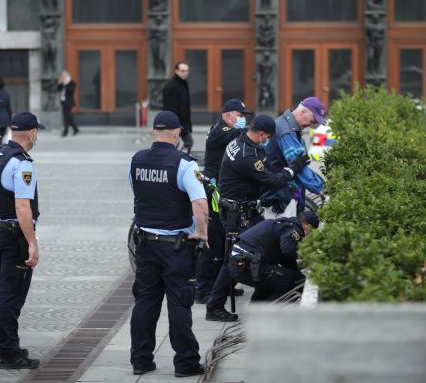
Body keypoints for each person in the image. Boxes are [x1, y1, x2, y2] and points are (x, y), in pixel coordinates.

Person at [205, 114, 311, 322]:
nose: (268, 141)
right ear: (262, 134)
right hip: (238, 214)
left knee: (267, 241)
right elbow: (271, 180)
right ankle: (214, 306)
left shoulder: (243, 142)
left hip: (246, 210)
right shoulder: (246, 155)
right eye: (268, 137)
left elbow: (266, 169)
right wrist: (293, 169)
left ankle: (269, 288)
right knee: (235, 256)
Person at [129, 110, 207, 378]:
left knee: (145, 302)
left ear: (154, 131)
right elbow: (199, 202)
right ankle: (185, 363)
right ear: (176, 133)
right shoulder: (185, 164)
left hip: (145, 244)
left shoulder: (137, 160)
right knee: (179, 304)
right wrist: (203, 232)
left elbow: (137, 191)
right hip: (176, 246)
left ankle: (140, 360)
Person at [0, 112, 44, 369]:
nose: (37, 136)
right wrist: (31, 242)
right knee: (11, 296)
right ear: (31, 133)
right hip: (13, 235)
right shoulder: (22, 164)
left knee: (5, 294)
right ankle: (8, 353)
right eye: (37, 131)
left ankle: (8, 347)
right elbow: (22, 207)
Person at [195, 99, 251, 304]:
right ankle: (203, 290)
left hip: (223, 189)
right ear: (227, 115)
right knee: (215, 242)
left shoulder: (227, 128)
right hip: (214, 192)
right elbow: (240, 136)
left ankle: (222, 285)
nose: (242, 119)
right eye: (240, 115)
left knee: (226, 242)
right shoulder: (221, 131)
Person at [228, 211, 320, 301]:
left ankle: (255, 314)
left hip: (241, 263)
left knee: (270, 286)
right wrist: (308, 254)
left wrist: (297, 272)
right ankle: (269, 314)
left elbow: (286, 259)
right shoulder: (293, 229)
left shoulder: (284, 224)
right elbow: (288, 250)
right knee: (297, 282)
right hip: (247, 264)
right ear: (308, 227)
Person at [262, 97, 325, 218]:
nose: (311, 126)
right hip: (280, 197)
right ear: (303, 112)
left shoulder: (289, 126)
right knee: (285, 234)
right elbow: (299, 167)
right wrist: (321, 188)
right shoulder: (287, 131)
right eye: (312, 121)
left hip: (283, 193)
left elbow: (302, 163)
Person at [162, 61, 193, 153]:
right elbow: (170, 108)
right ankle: (175, 161)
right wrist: (175, 125)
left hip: (183, 123)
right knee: (181, 143)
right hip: (175, 123)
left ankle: (178, 159)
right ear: (176, 71)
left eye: (187, 71)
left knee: (186, 143)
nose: (185, 73)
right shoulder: (172, 86)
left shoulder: (183, 83)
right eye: (182, 71)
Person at [58, 71, 79, 137]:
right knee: (68, 117)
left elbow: (70, 91)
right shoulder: (63, 83)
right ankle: (75, 129)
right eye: (62, 76)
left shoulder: (72, 83)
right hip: (64, 102)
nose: (63, 77)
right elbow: (59, 89)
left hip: (69, 102)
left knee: (66, 117)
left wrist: (65, 84)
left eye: (64, 76)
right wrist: (60, 83)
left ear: (67, 76)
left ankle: (65, 132)